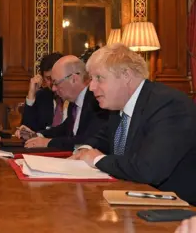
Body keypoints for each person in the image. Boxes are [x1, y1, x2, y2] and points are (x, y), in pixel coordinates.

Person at [71, 43, 196, 205]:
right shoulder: (118, 109)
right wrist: (84, 150)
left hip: (177, 214)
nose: (91, 87)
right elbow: (103, 139)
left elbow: (149, 170)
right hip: (133, 201)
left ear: (126, 75)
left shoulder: (168, 105)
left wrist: (97, 159)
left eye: (99, 78)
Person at [23, 55, 109, 150]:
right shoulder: (74, 102)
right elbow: (65, 128)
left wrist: (48, 142)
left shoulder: (96, 101)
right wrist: (38, 135)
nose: (53, 88)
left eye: (56, 83)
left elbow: (86, 140)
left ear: (73, 79)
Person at [17, 52, 66, 137]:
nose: (52, 83)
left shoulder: (73, 96)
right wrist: (31, 94)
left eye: (54, 78)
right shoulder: (42, 96)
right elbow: (27, 130)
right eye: (48, 78)